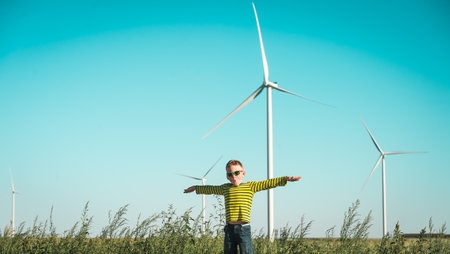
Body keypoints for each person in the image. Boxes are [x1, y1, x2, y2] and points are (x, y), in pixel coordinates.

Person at [184, 159, 301, 254]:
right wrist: (195, 187)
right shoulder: (225, 188)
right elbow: (210, 189)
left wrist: (286, 179)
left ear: (243, 173)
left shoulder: (250, 186)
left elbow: (268, 183)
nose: (233, 177)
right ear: (227, 176)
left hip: (244, 229)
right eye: (230, 174)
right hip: (229, 230)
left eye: (236, 173)